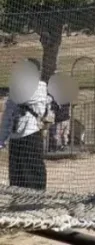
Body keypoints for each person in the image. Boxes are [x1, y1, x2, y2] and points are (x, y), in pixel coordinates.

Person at [0, 59, 49, 190]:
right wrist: (1, 139)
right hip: (15, 138)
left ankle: (36, 200)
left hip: (30, 136)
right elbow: (7, 116)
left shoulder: (40, 87)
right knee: (16, 174)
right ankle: (18, 202)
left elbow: (23, 97)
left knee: (32, 171)